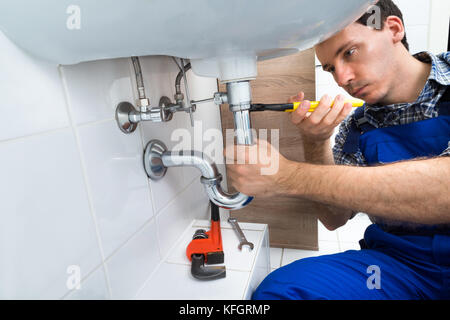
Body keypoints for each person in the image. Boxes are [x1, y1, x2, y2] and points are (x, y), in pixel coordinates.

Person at [225, 0, 450, 299]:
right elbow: (335, 218)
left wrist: (287, 176)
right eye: (331, 68)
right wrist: (316, 141)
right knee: (282, 291)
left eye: (350, 52)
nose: (342, 79)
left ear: (393, 29)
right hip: (395, 268)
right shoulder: (355, 128)